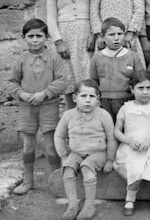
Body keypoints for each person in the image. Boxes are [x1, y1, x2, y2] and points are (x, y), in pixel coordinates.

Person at [8, 18, 68, 195]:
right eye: (31, 36)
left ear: (46, 37)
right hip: (27, 107)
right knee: (28, 146)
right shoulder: (21, 59)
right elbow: (11, 83)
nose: (35, 40)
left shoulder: (54, 57)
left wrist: (45, 93)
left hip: (48, 105)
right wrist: (23, 94)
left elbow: (62, 81)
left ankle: (55, 182)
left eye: (39, 36)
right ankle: (28, 181)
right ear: (24, 38)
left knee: (50, 146)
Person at [54, 79, 115, 220]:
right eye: (83, 96)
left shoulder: (103, 115)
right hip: (76, 153)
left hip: (98, 153)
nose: (87, 100)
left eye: (92, 97)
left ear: (98, 99)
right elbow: (59, 136)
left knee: (87, 169)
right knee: (68, 170)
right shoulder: (68, 115)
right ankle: (73, 205)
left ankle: (89, 206)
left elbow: (111, 138)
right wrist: (63, 156)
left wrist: (110, 160)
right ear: (75, 98)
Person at [114, 70, 150, 216]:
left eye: (148, 88)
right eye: (140, 88)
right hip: (132, 147)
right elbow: (117, 131)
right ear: (132, 89)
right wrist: (129, 141)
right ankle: (130, 199)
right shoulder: (125, 108)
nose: (145, 92)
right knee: (134, 170)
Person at [47, 0, 93, 109]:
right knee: (68, 80)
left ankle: (92, 119)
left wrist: (94, 34)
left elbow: (95, 10)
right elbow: (51, 17)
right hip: (65, 35)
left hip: (85, 34)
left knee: (87, 76)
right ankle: (72, 118)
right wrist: (58, 42)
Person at [90, 17, 144, 121]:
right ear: (103, 36)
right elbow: (94, 81)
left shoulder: (133, 56)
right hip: (105, 101)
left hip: (128, 100)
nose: (116, 38)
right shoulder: (97, 58)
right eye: (111, 34)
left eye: (120, 34)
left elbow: (140, 79)